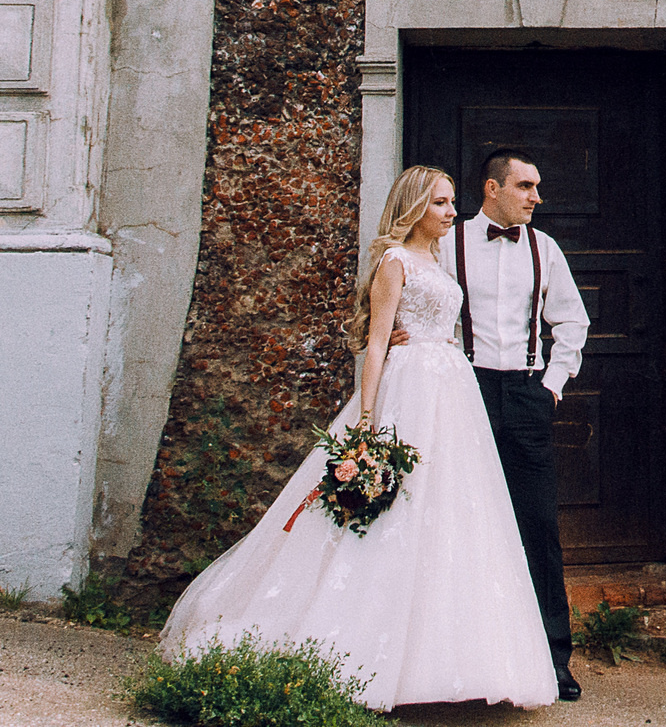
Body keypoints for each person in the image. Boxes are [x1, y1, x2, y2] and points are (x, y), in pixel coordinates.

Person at [158, 166, 557, 710]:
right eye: (440, 203)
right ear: (415, 207)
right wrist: (367, 418)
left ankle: (450, 660)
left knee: (452, 515)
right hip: (411, 389)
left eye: (451, 203)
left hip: (451, 395)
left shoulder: (437, 260)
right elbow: (374, 343)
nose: (450, 213)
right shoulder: (394, 262)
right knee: (394, 511)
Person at [449, 148, 592, 702]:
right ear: (492, 188)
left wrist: (552, 385)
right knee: (461, 523)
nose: (538, 196)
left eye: (537, 186)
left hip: (528, 394)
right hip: (465, 393)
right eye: (526, 186)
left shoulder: (545, 247)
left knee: (538, 529)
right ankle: (463, 657)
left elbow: (572, 320)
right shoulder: (449, 243)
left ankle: (554, 661)